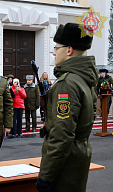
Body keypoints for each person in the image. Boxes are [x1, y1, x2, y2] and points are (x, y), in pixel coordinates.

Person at [36, 23, 98, 192]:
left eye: (56, 47)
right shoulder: (83, 78)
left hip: (65, 162)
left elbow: (62, 135)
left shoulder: (67, 83)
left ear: (69, 50)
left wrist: (46, 176)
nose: (54, 52)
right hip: (78, 155)